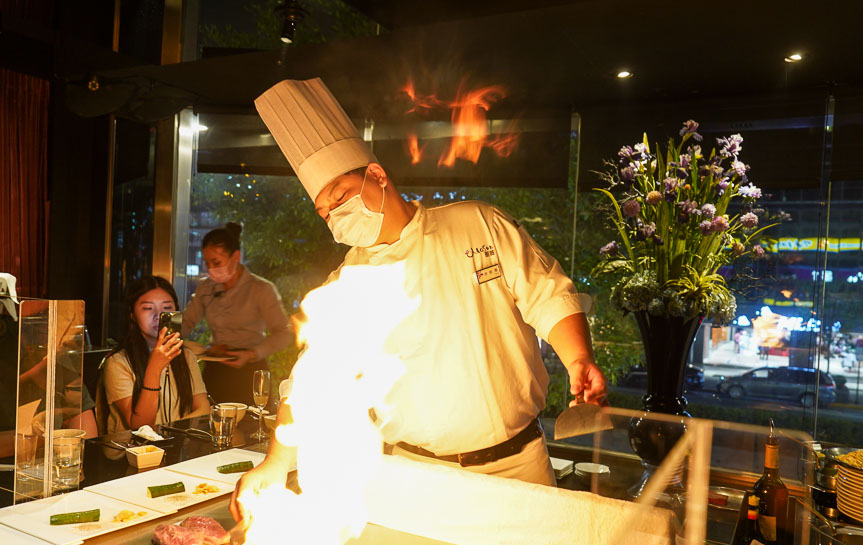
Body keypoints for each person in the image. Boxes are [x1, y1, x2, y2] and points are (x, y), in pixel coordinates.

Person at [230, 78, 607, 522]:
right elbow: (313, 380)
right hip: (414, 476)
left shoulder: (476, 224)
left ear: (376, 175)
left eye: (338, 195)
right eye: (324, 211)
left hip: (517, 468)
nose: (334, 215)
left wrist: (578, 358)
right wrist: (276, 462)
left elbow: (548, 294)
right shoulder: (350, 281)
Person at [181, 222, 291, 406]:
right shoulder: (206, 287)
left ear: (236, 257)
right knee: (210, 426)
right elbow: (187, 321)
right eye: (207, 263)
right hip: (215, 369)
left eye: (216, 263)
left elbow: (284, 333)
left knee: (250, 428)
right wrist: (165, 336)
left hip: (250, 370)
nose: (210, 269)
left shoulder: (261, 289)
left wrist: (251, 354)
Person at [100, 276, 208, 433]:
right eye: (148, 308)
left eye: (167, 308)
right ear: (132, 315)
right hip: (132, 454)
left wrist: (173, 434)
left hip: (175, 450)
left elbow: (203, 406)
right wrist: (154, 368)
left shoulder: (186, 356)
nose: (158, 315)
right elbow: (140, 426)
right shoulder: (117, 362)